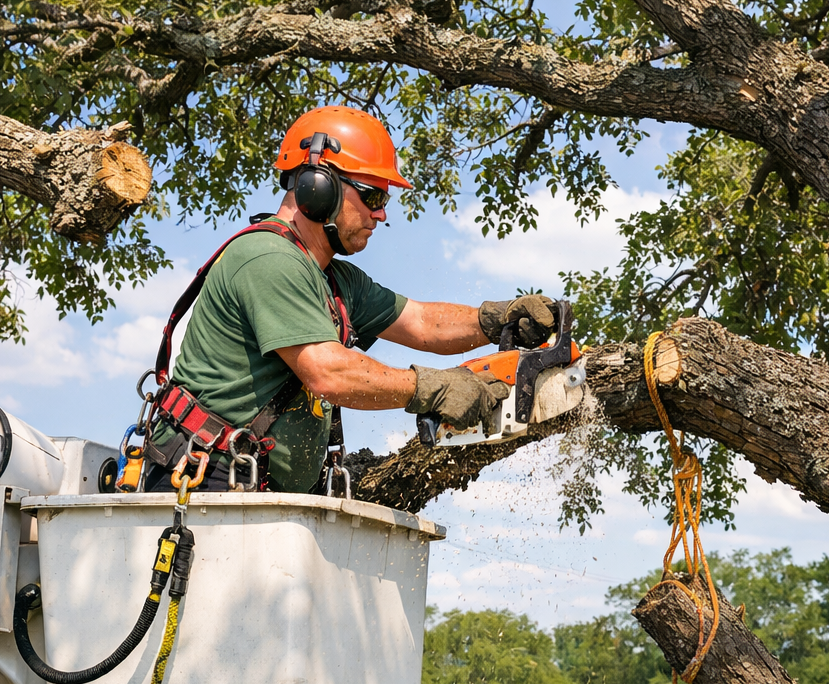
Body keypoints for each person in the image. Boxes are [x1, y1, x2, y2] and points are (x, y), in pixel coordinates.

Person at [139, 105, 559, 494]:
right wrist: (433, 386)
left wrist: (497, 319)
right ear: (318, 189)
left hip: (249, 483)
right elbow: (329, 373)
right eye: (373, 196)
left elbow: (422, 323)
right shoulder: (268, 259)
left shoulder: (334, 279)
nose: (381, 214)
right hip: (203, 475)